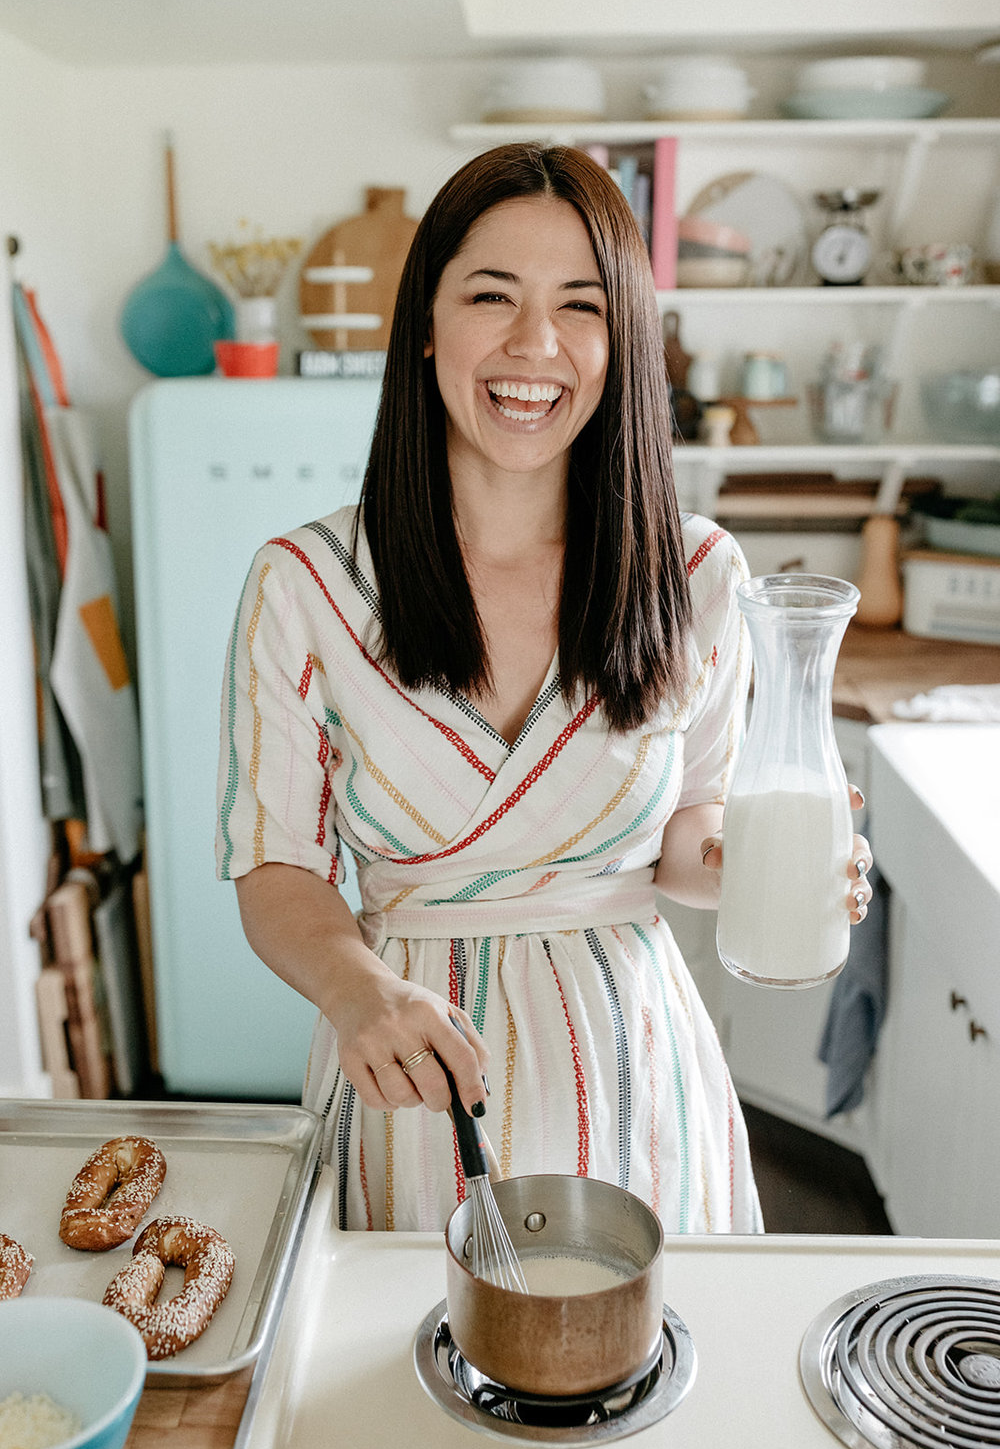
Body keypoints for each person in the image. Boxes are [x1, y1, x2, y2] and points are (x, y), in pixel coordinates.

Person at [216, 143, 873, 1235]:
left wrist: (751, 862)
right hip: (409, 1079)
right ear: (425, 323)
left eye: (581, 305)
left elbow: (687, 833)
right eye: (491, 295)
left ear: (624, 344)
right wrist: (355, 990)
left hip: (634, 1077)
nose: (536, 344)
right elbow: (276, 860)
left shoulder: (699, 576)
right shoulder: (308, 586)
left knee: (656, 1382)